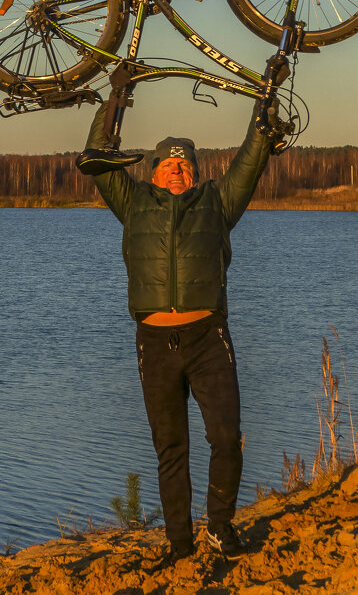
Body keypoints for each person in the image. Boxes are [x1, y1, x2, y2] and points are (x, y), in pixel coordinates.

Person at [81, 100, 274, 566]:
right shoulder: (133, 204)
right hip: (154, 345)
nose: (174, 171)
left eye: (183, 164)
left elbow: (249, 162)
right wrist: (115, 97)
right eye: (166, 164)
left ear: (194, 171)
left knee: (226, 437)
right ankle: (179, 545)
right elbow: (97, 157)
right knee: (171, 449)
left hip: (208, 338)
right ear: (151, 173)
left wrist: (262, 120)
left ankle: (221, 526)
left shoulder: (217, 202)